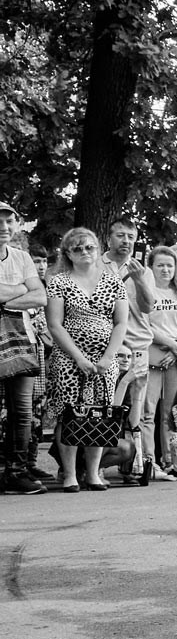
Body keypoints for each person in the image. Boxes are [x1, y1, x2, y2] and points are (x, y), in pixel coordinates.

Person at [43, 227, 128, 493]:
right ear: (67, 253)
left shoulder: (114, 281)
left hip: (106, 356)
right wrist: (78, 358)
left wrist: (107, 357)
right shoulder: (59, 282)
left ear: (97, 249)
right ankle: (69, 475)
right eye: (77, 248)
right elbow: (55, 324)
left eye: (89, 247)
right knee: (69, 414)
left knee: (99, 414)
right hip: (69, 356)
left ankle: (93, 473)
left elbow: (121, 322)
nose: (84, 252)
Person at [0, 200, 48, 494]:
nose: (3, 228)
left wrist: (4, 299)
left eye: (9, 221)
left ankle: (16, 472)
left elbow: (40, 296)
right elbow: (30, 292)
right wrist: (21, 291)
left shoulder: (22, 257)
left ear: (16, 225)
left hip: (21, 342)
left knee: (22, 411)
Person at [103, 216, 155, 485]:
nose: (126, 242)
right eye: (121, 236)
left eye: (131, 237)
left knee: (136, 407)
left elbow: (148, 307)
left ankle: (134, 466)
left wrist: (139, 279)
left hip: (137, 345)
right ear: (109, 238)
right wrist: (122, 278)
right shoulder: (97, 266)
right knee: (104, 403)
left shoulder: (142, 270)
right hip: (106, 345)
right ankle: (94, 463)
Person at [143, 246, 177, 481]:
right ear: (151, 267)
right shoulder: (146, 290)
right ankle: (148, 462)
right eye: (160, 265)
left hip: (176, 357)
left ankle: (171, 462)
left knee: (170, 413)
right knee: (147, 411)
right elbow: (143, 324)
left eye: (170, 265)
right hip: (151, 354)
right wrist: (170, 344)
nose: (166, 269)